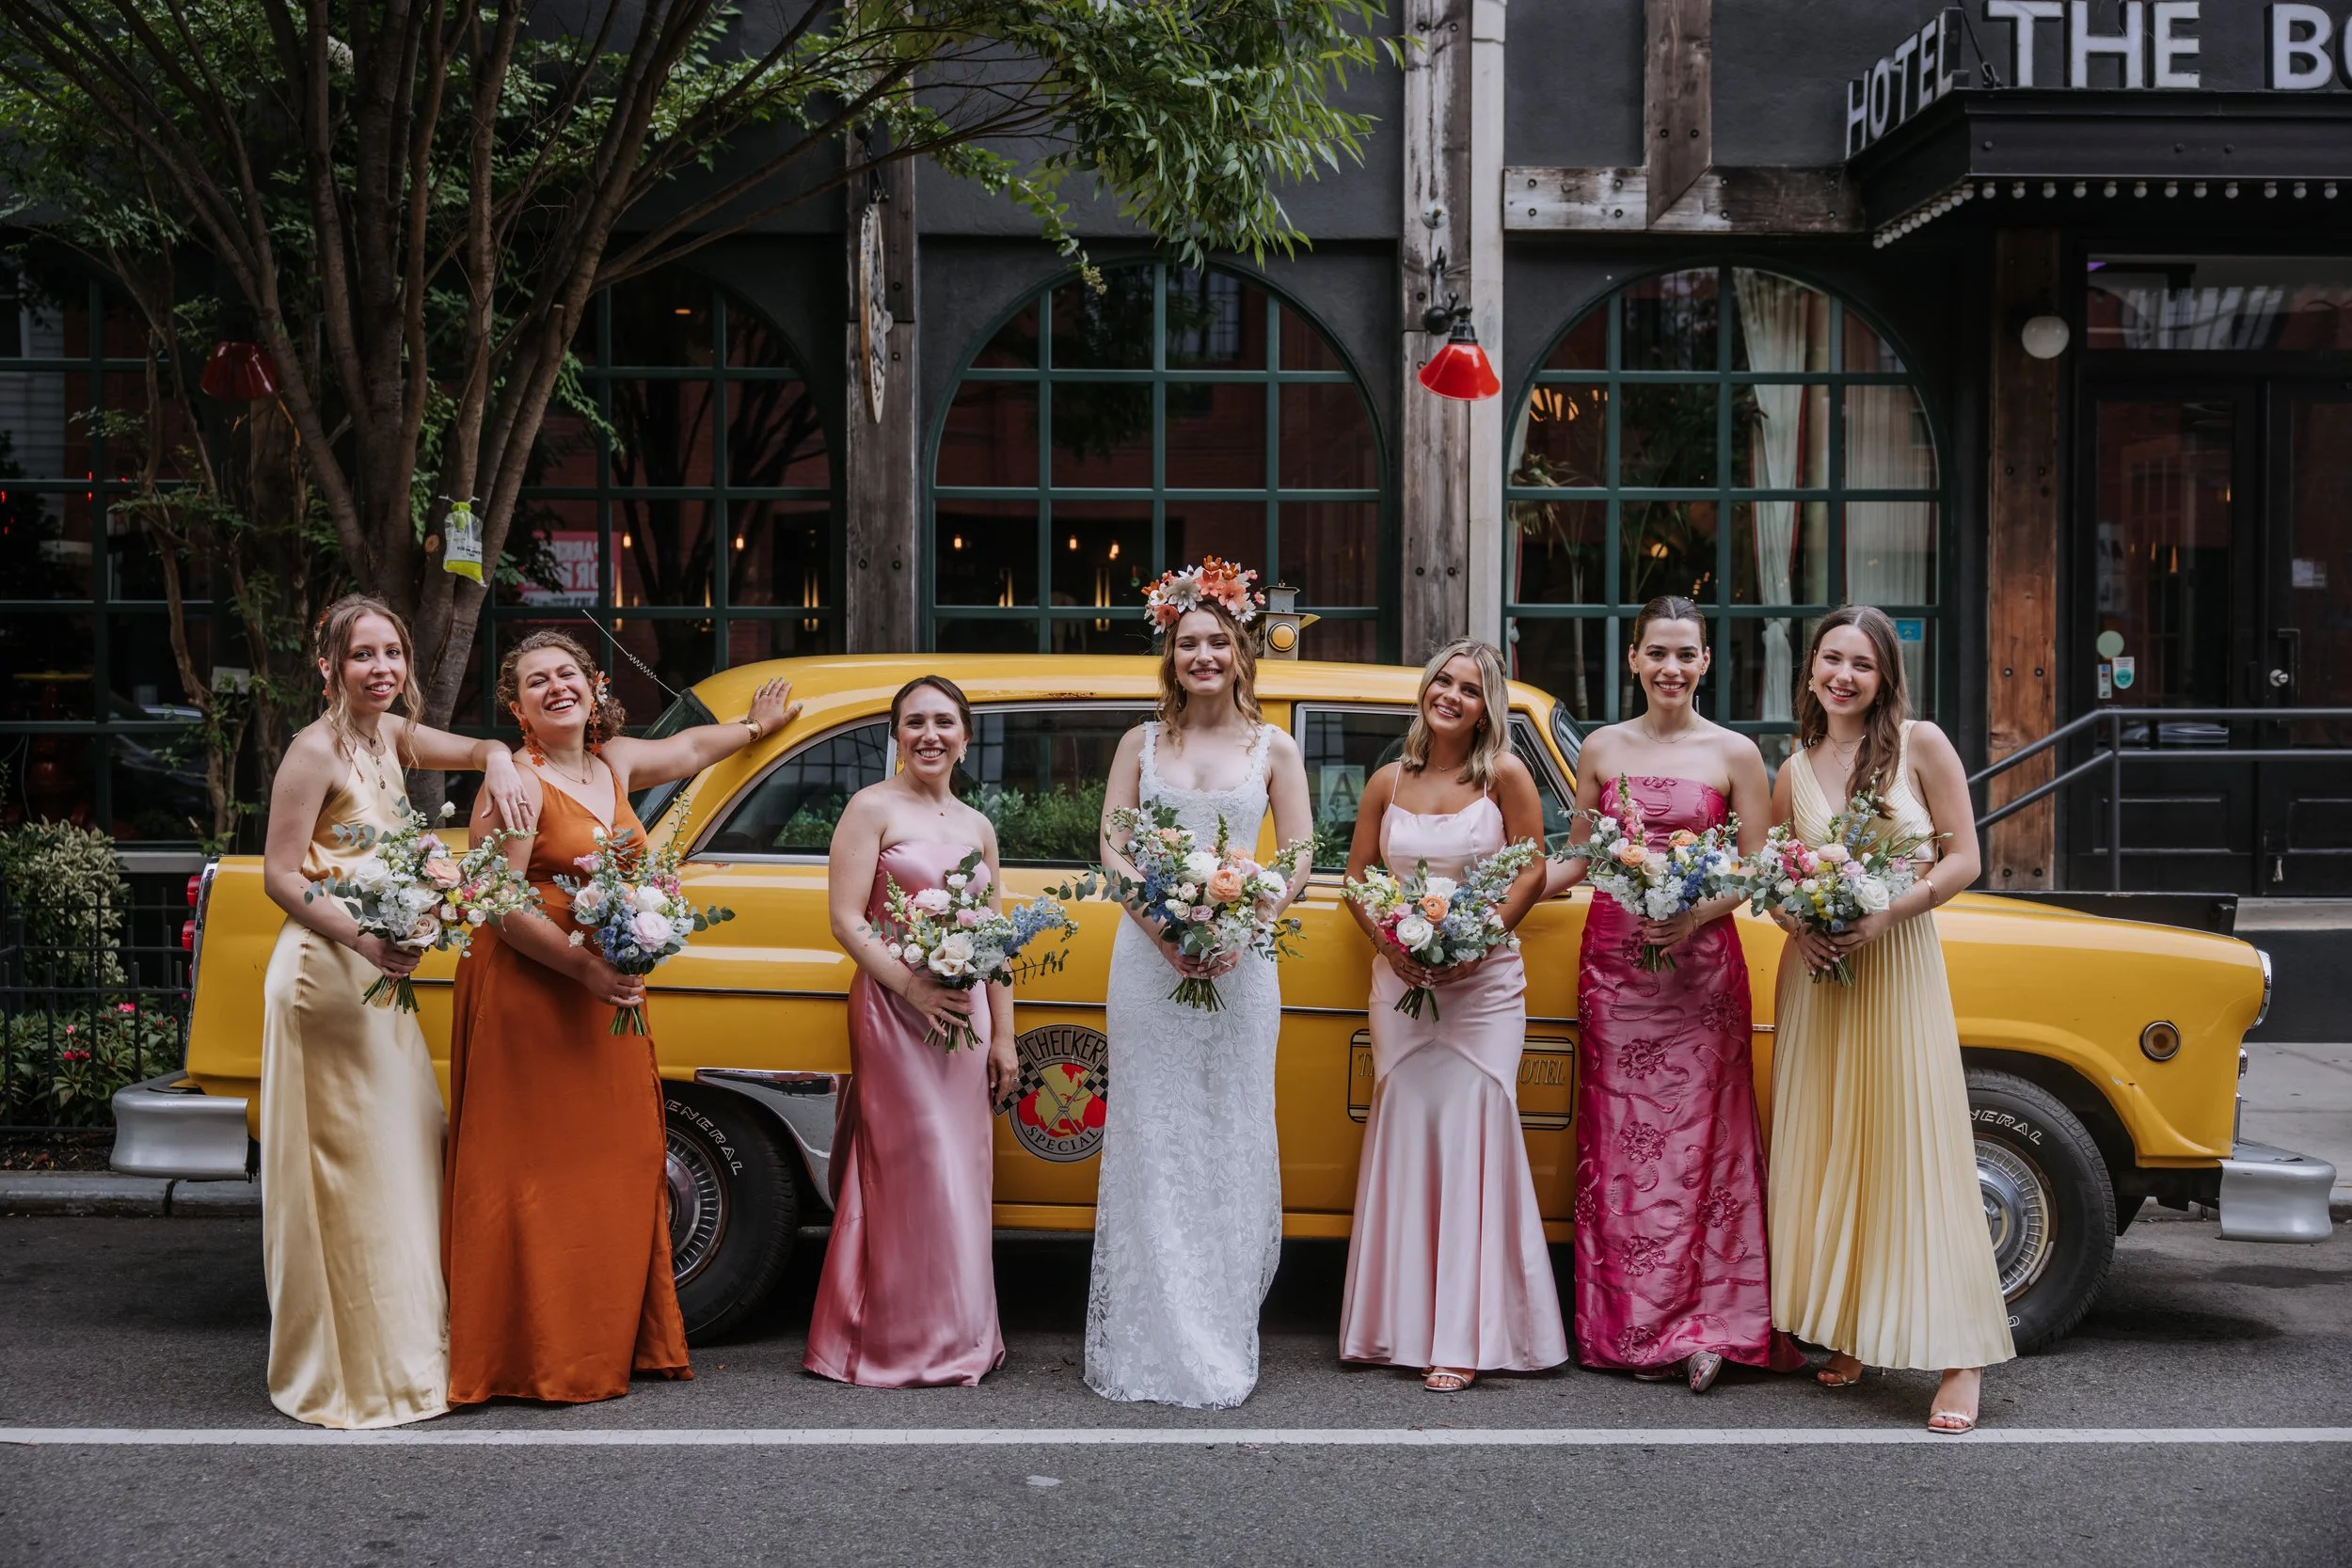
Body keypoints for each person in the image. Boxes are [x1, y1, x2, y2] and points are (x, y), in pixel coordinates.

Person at [440, 630, 798, 1404]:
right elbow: (495, 901)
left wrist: (756, 730)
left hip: (603, 997)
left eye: (568, 673)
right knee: (532, 1170)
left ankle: (607, 1335)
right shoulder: (517, 784)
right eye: (537, 682)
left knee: (615, 1164)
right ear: (517, 708)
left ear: (595, 685)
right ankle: (529, 1354)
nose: (556, 687)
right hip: (533, 994)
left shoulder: (617, 763)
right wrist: (584, 965)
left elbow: (694, 748)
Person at [257, 594, 534, 1429]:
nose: (381, 669)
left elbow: (484, 743)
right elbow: (282, 874)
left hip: (384, 978)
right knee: (353, 1175)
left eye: (392, 654)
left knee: (408, 1152)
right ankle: (358, 1375)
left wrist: (501, 763)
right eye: (361, 655)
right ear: (328, 666)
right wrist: (369, 941)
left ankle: (418, 1355)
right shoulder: (314, 752)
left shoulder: (392, 736)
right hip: (330, 978)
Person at [1766, 604, 2015, 1433]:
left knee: (1914, 1149)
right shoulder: (1792, 766)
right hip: (1818, 979)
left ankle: (1962, 1356)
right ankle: (1849, 1330)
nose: (1843, 675)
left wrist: (1884, 914)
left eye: (1861, 664)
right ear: (1809, 670)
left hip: (1898, 965)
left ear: (1884, 678)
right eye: (1831, 659)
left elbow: (1964, 858)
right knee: (1836, 1148)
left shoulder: (1922, 743)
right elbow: (1771, 875)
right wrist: (1800, 924)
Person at [1547, 597, 1800, 1393]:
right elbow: (1580, 858)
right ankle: (1633, 1329)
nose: (1671, 668)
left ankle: (1712, 1328)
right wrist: (1492, 895)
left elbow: (1756, 868)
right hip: (1617, 967)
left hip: (1700, 969)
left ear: (1705, 664)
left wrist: (1693, 911)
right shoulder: (1600, 746)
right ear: (1633, 659)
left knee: (1705, 1146)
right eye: (1657, 653)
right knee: (1622, 1145)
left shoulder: (1735, 754)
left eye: (1685, 654)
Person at [1086, 562, 1313, 1409]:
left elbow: (1297, 854)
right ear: (1170, 653)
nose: (1205, 654)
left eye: (1219, 640)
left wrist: (1245, 919)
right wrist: (1160, 922)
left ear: (1242, 649)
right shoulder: (1139, 745)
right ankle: (1153, 1335)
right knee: (1155, 1134)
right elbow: (1112, 845)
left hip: (1243, 963)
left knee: (1229, 1135)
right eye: (1190, 642)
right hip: (1149, 963)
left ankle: (1219, 1328)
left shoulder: (1274, 745)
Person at [1336, 638, 1563, 1392]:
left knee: (1473, 1129)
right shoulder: (1387, 780)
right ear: (1426, 690)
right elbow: (1358, 872)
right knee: (1404, 1123)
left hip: (1484, 983)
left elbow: (1531, 865)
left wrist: (1481, 937)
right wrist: (1389, 940)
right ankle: (1389, 1325)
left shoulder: (1503, 774)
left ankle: (1465, 1335)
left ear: (1485, 705)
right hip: (1400, 980)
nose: (1452, 696)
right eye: (1443, 681)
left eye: (1469, 688)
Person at [805, 674, 1017, 1386]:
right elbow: (847, 920)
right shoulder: (870, 808)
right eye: (915, 721)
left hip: (965, 1013)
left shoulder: (977, 826)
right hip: (895, 1011)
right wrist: (910, 984)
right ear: (896, 734)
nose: (930, 734)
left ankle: (962, 1335)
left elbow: (995, 939)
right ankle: (891, 1339)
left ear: (965, 734)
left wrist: (1004, 1037)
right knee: (910, 1164)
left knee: (963, 1168)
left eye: (944, 721)